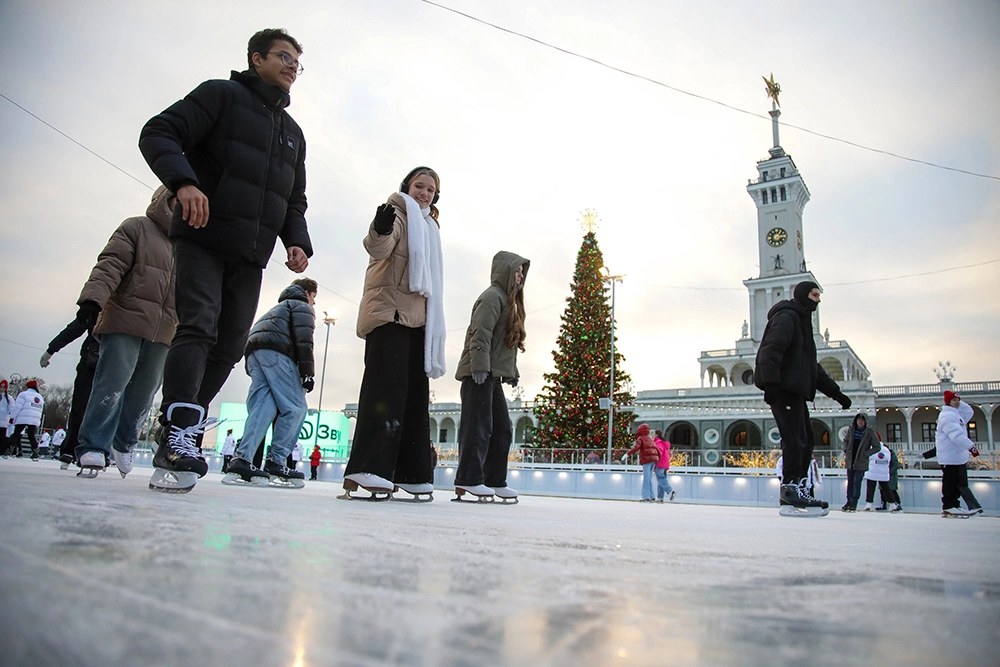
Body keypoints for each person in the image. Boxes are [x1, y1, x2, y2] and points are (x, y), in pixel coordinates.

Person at [139, 28, 312, 493]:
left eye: (298, 60)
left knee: (231, 343)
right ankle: (177, 428)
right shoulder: (221, 96)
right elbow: (159, 132)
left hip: (250, 253)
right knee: (199, 325)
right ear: (256, 59)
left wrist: (297, 241)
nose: (293, 65)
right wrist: (184, 183)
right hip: (202, 234)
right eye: (284, 56)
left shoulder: (292, 134)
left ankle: (185, 427)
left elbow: (294, 199)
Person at [343, 167, 445, 501]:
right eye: (419, 186)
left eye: (431, 190)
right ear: (407, 187)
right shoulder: (399, 216)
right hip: (390, 314)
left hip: (418, 322)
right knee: (384, 392)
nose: (424, 193)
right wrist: (381, 226)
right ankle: (368, 466)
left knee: (414, 397)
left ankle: (411, 472)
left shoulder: (430, 227)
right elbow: (378, 247)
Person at [72, 186, 179, 479]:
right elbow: (110, 264)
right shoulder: (137, 228)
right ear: (164, 200)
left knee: (144, 393)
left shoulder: (189, 244)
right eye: (176, 201)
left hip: (165, 330)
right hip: (125, 320)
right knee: (112, 384)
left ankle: (125, 442)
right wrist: (93, 298)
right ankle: (93, 445)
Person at [754, 281, 852, 516]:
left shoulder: (802, 323)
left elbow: (811, 368)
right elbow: (771, 349)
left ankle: (797, 486)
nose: (818, 299)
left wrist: (836, 393)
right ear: (803, 295)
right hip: (783, 390)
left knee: (806, 439)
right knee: (795, 439)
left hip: (794, 391)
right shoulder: (788, 316)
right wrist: (772, 385)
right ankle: (790, 491)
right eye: (814, 294)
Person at [224, 279, 316, 489]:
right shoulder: (301, 306)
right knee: (295, 407)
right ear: (306, 292)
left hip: (255, 354)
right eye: (314, 297)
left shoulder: (277, 308)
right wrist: (307, 374)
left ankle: (242, 458)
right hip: (277, 353)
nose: (314, 303)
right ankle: (277, 460)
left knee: (264, 407)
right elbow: (304, 340)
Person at [454, 251, 528, 504]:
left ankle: (494, 480)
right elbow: (481, 334)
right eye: (517, 270)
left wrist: (511, 373)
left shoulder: (509, 302)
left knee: (502, 429)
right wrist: (479, 366)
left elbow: (503, 347)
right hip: (478, 373)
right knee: (477, 427)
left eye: (522, 272)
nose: (520, 276)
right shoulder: (491, 297)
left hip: (491, 376)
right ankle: (468, 479)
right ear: (504, 271)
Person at [40, 317, 101, 468]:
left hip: (111, 363)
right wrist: (51, 350)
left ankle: (97, 449)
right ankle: (70, 448)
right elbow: (74, 328)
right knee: (80, 406)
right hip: (91, 362)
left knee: (100, 409)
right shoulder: (98, 307)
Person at [937, 390, 983, 518]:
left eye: (958, 400)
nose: (957, 402)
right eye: (954, 400)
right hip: (949, 456)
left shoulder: (957, 414)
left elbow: (969, 412)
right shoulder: (947, 416)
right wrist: (971, 447)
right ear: (948, 403)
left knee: (958, 482)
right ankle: (948, 506)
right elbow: (956, 435)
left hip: (957, 456)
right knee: (950, 482)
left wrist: (957, 400)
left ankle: (955, 505)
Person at [841, 413, 880, 512]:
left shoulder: (869, 432)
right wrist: (846, 449)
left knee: (856, 482)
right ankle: (848, 501)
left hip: (861, 462)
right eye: (859, 420)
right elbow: (845, 441)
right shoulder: (851, 430)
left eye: (862, 420)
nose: (860, 422)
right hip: (851, 460)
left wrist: (866, 453)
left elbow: (877, 447)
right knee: (850, 482)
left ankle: (854, 502)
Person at [7, 380, 45, 460]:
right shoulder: (40, 397)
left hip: (23, 417)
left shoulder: (23, 395)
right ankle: (35, 451)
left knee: (16, 433)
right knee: (31, 436)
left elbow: (17, 407)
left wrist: (12, 417)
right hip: (34, 419)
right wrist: (38, 421)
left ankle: (9, 449)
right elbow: (40, 410)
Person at [623, 424, 660, 502]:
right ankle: (652, 496)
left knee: (646, 478)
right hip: (653, 459)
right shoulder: (650, 439)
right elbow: (656, 449)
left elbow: (636, 447)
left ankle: (645, 496)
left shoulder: (641, 438)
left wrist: (627, 454)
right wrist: (658, 459)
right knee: (649, 478)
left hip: (647, 459)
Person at [862, 440, 899, 512]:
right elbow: (888, 460)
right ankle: (892, 504)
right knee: (886, 488)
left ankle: (868, 504)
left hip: (872, 471)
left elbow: (867, 457)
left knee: (870, 488)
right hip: (883, 472)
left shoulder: (872, 449)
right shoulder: (886, 450)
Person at [877, 443, 903, 512]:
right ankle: (883, 503)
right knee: (882, 490)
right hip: (883, 474)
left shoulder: (891, 454)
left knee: (892, 490)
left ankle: (897, 504)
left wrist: (890, 472)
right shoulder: (880, 454)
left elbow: (895, 464)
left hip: (890, 476)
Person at [652, 429, 675, 502]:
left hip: (660, 463)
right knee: (662, 479)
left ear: (656, 435)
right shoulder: (664, 443)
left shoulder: (658, 442)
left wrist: (655, 461)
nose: (653, 436)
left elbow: (659, 452)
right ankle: (660, 497)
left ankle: (670, 491)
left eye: (653, 434)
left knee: (660, 479)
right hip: (665, 463)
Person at [0, 380, 11, 457]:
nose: (2, 389)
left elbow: (11, 408)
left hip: (3, 421)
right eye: (1, 387)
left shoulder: (8, 398)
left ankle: (1, 451)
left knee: (2, 438)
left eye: (3, 388)